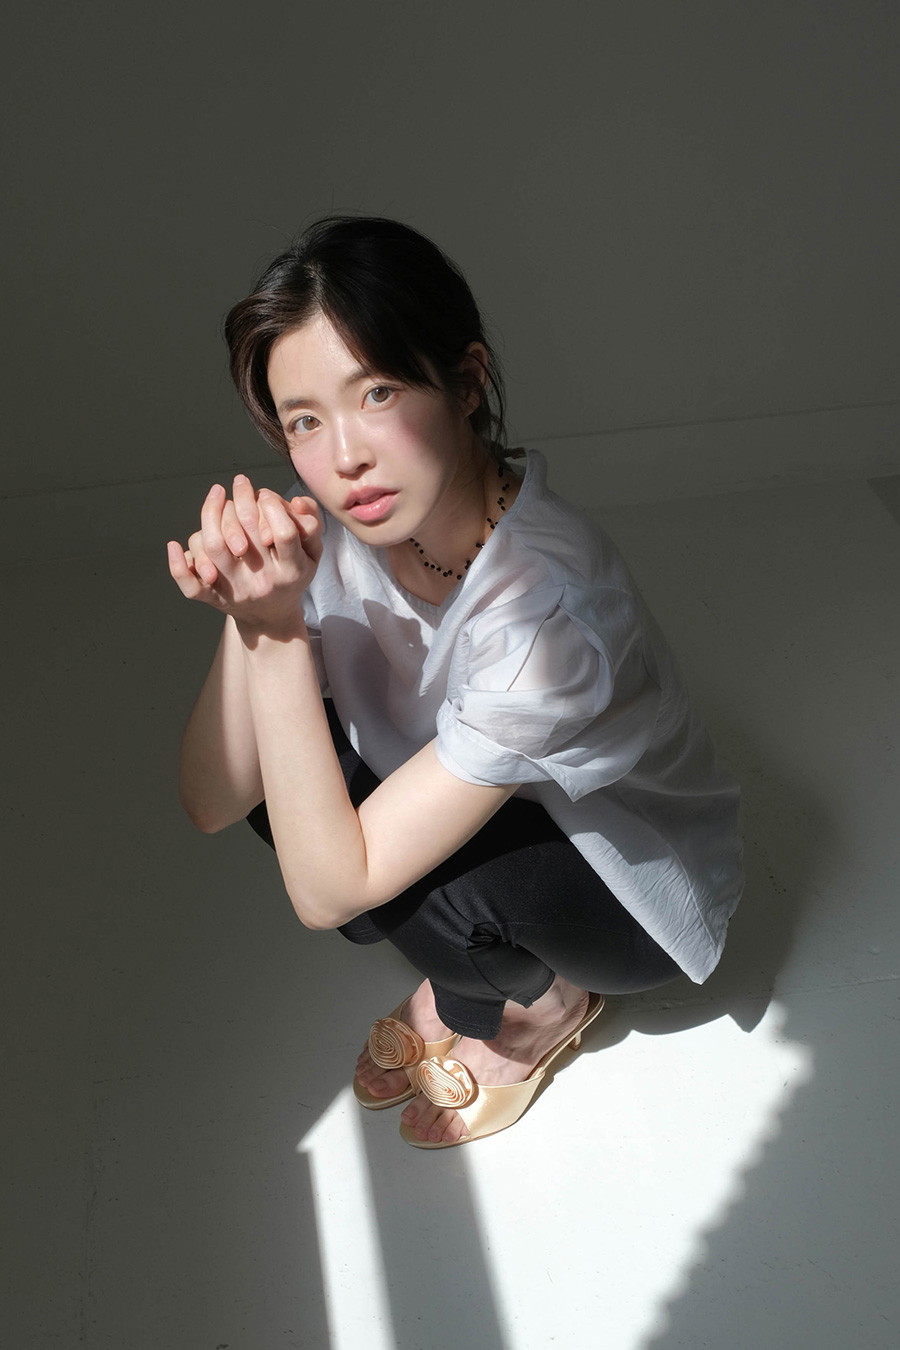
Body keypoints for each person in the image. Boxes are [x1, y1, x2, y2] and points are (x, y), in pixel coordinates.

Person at [167, 216, 743, 1149]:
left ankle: (542, 1005)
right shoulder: (341, 527)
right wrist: (254, 610)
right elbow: (213, 797)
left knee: (402, 866)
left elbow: (327, 893)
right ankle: (473, 972)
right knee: (290, 768)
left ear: (467, 381)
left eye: (377, 393)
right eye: (305, 421)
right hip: (463, 798)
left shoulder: (548, 616)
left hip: (622, 889)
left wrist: (277, 633)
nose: (344, 458)